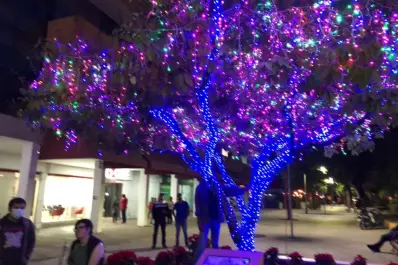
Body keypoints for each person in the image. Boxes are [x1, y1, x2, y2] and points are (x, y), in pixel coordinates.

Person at [194, 178, 224, 261]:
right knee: (202, 244)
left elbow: (223, 199)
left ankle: (215, 260)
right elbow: (198, 205)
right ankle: (198, 261)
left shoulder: (217, 187)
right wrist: (199, 220)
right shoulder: (201, 187)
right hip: (205, 219)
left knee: (215, 243)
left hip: (215, 219)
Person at [0, 197, 36, 265]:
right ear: (10, 209)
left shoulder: (27, 224)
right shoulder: (2, 223)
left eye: (22, 208)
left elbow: (31, 241)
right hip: (3, 260)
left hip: (20, 260)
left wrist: (26, 257)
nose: (19, 210)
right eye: (16, 207)